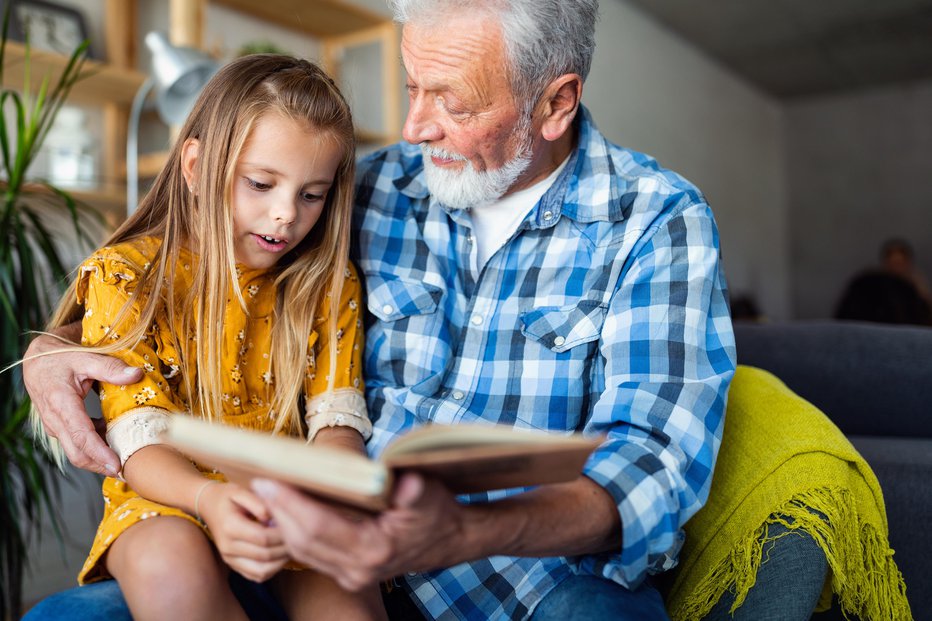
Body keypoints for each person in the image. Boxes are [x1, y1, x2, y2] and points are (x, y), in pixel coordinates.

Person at [23, 1, 738, 619]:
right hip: (314, 542)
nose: (413, 126)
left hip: (521, 576)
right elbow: (189, 276)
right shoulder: (358, 188)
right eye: (410, 86)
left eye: (452, 102)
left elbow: (654, 466)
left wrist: (464, 532)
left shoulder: (655, 220)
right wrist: (50, 346)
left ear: (555, 103)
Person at [27, 54, 386, 621]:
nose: (285, 215)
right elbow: (141, 442)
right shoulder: (126, 277)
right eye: (261, 184)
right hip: (165, 498)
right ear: (195, 166)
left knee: (348, 594)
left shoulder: (326, 282)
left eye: (312, 194)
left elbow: (335, 421)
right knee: (168, 566)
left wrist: (335, 490)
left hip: (288, 498)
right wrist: (209, 498)